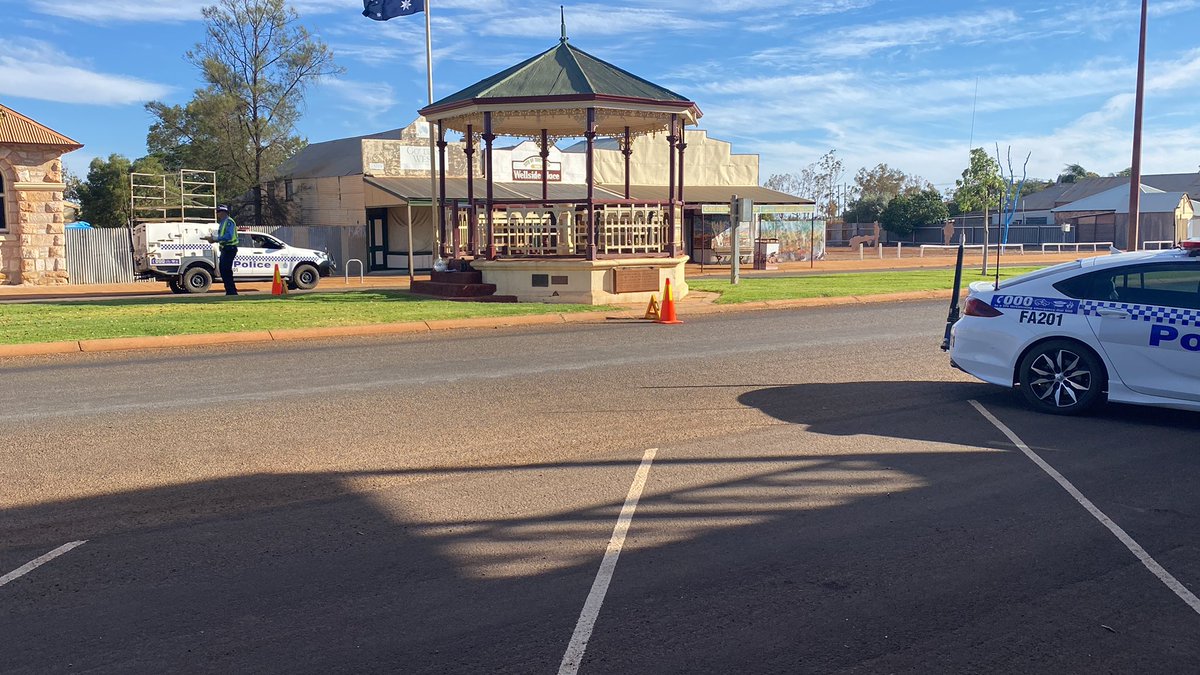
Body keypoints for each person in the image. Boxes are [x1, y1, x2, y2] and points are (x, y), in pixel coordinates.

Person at [214, 204, 239, 295]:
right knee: (223, 270)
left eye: (219, 212)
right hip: (225, 248)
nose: (217, 214)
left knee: (226, 270)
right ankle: (229, 291)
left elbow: (229, 236)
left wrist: (216, 239)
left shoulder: (229, 221)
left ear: (224, 212)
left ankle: (231, 291)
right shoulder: (222, 222)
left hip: (230, 248)